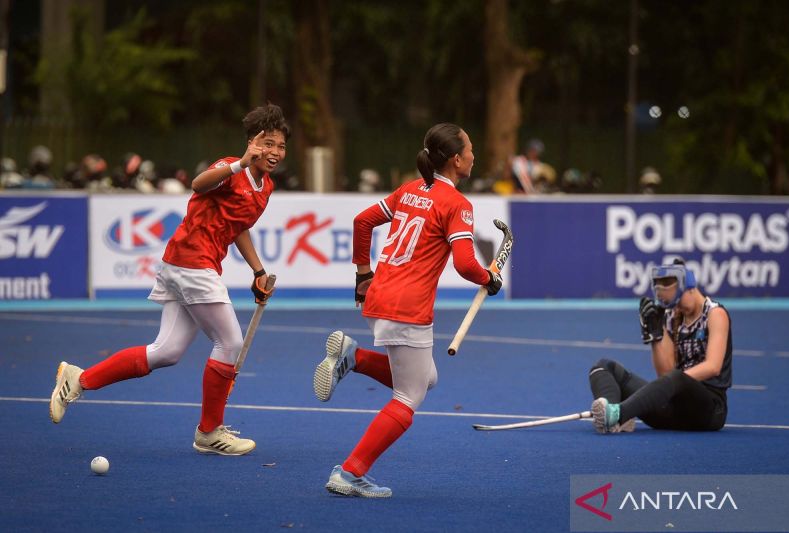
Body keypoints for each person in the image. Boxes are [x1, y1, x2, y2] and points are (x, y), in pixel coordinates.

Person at [48, 102, 291, 455]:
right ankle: (209, 431)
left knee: (166, 352)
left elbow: (240, 228)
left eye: (280, 146)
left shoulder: (265, 186)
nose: (274, 152)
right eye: (267, 143)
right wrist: (240, 161)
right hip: (192, 263)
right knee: (229, 342)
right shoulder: (230, 167)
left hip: (186, 264)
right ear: (252, 142)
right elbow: (198, 184)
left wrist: (258, 271)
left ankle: (78, 379)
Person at [312, 123, 503, 498]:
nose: (474, 156)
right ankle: (350, 473)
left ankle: (353, 358)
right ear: (455, 160)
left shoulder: (410, 190)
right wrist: (489, 278)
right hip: (408, 308)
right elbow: (466, 265)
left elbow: (362, 221)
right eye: (470, 149)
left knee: (426, 378)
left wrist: (362, 276)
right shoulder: (457, 205)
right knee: (409, 397)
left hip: (379, 296)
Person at [589, 259, 732, 433]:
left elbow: (713, 367)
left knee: (677, 377)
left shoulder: (715, 314)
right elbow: (665, 374)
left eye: (678, 301)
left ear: (691, 288)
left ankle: (619, 413)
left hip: (708, 412)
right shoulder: (672, 317)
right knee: (604, 367)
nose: (676, 308)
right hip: (674, 408)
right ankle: (612, 419)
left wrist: (678, 381)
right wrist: (655, 336)